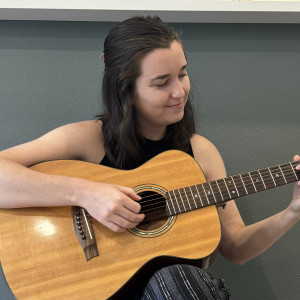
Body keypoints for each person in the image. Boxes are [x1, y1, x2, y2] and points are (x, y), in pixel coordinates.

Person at [0, 16, 299, 300]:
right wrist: (87, 194)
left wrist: (292, 212)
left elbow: (235, 247)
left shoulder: (201, 152)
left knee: (178, 281)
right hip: (92, 289)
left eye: (182, 74)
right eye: (161, 82)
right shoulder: (89, 139)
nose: (179, 91)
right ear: (126, 89)